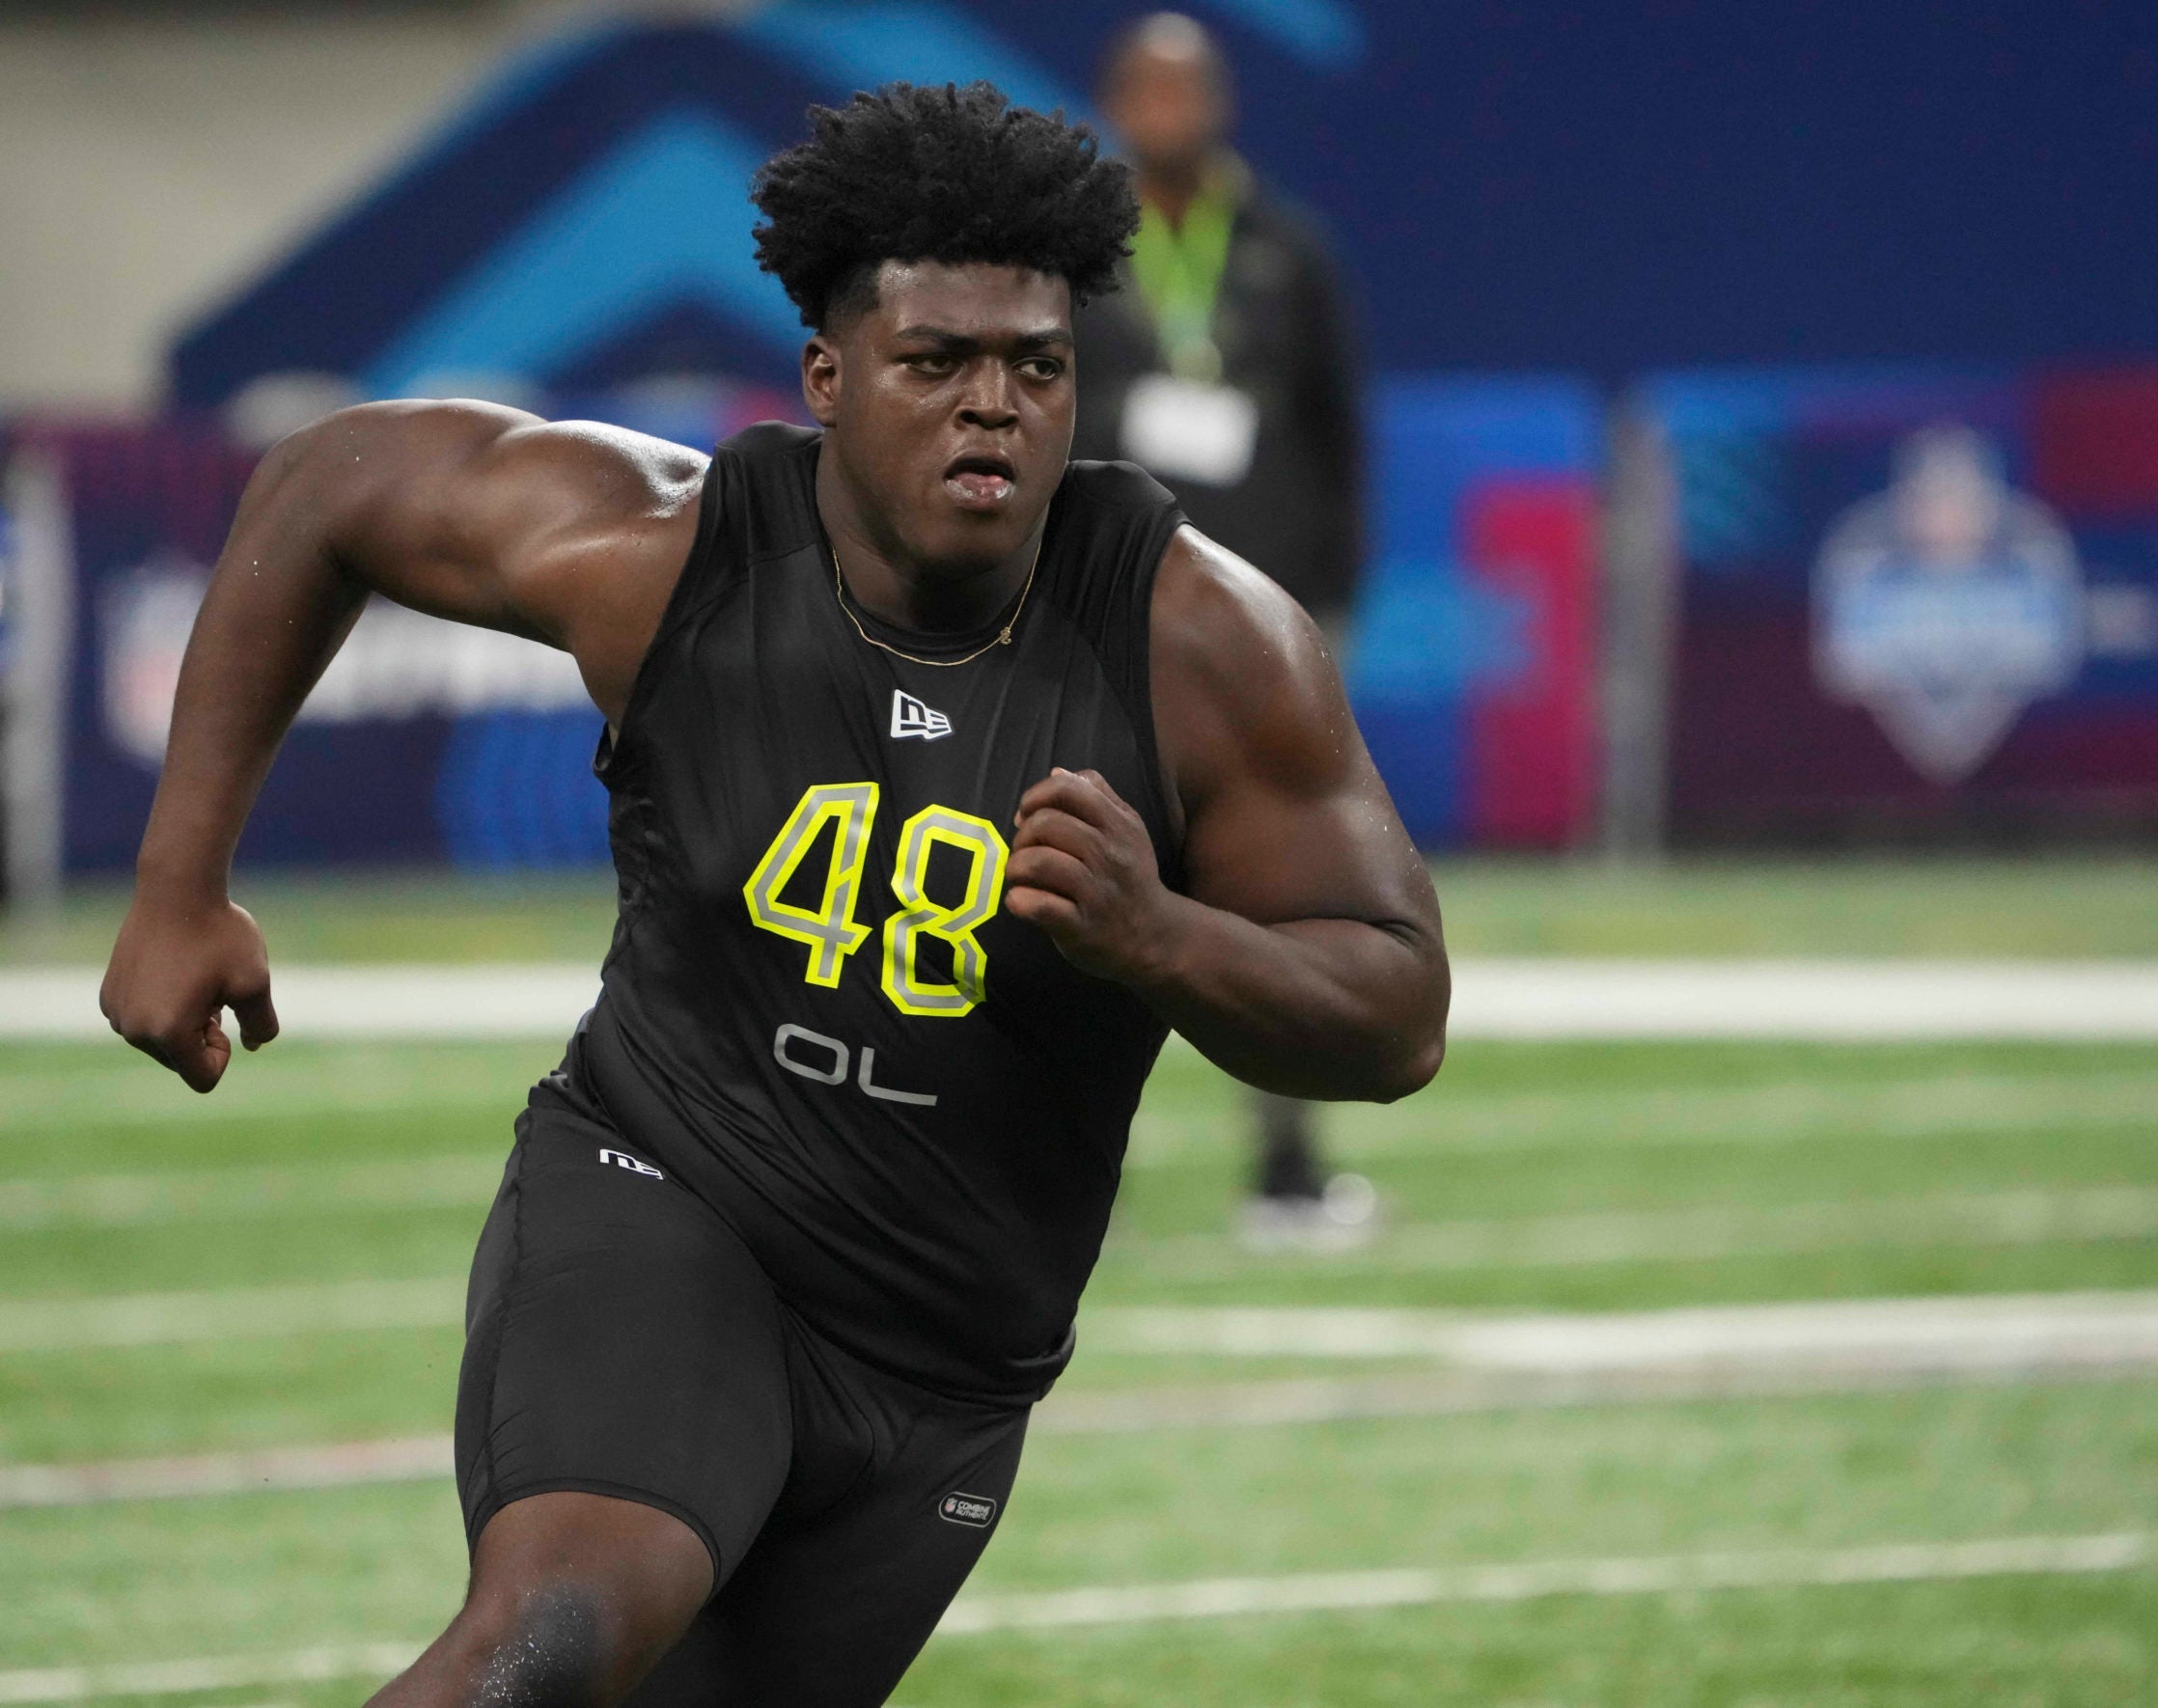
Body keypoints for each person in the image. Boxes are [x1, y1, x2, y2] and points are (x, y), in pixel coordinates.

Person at [100, 81, 1445, 1708]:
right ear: (828, 377)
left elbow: (1396, 1014)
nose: (995, 408)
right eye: (936, 361)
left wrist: (1163, 939)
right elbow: (325, 486)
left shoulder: (1200, 642)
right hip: (670, 1200)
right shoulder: (671, 555)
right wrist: (182, 884)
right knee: (552, 1642)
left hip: (950, 1357)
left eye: (1037, 364)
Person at [1074, 13, 1380, 1249]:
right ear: (1112, 101)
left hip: (1261, 612)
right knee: (1080, 875)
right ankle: (1061, 1171)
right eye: (1144, 89)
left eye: (1184, 86)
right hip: (1107, 601)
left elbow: (1338, 429)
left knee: (1281, 884)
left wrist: (1333, 600)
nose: (1166, 108)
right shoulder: (1077, 248)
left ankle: (1289, 1168)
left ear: (1219, 101)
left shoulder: (1285, 250)